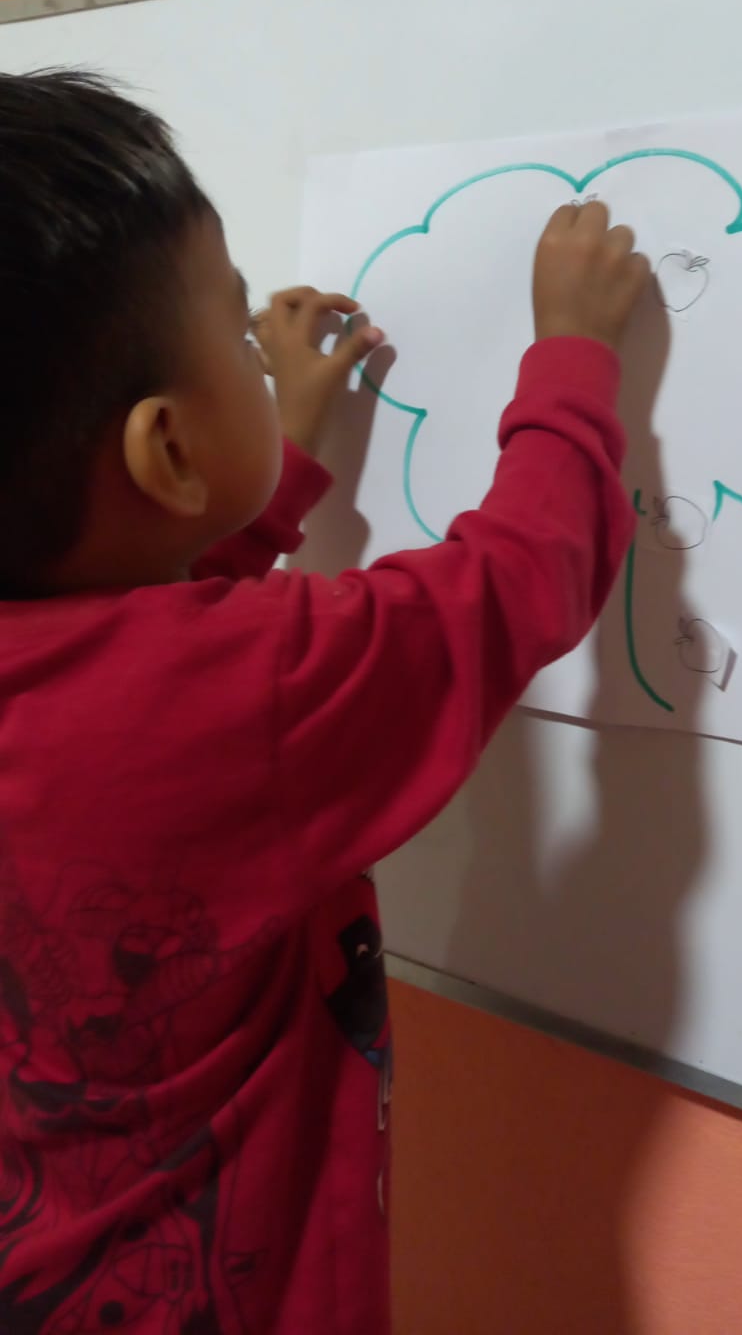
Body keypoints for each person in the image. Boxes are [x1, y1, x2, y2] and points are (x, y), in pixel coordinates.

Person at [0, 70, 648, 1332]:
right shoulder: (259, 685)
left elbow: (144, 658)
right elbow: (520, 575)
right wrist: (573, 356)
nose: (263, 356)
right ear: (169, 452)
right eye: (242, 344)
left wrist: (275, 459)